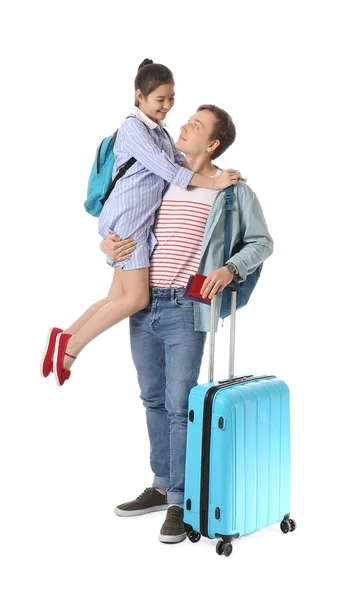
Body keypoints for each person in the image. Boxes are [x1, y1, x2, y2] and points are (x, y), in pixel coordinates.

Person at [100, 104, 274, 544]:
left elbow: (262, 242)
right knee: (152, 398)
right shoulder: (164, 177)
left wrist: (229, 270)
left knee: (181, 406)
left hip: (186, 308)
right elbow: (128, 219)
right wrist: (108, 244)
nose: (183, 126)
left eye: (195, 125)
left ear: (212, 144)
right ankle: (161, 485)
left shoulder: (230, 192)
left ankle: (180, 499)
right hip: (140, 302)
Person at [40, 60, 241, 386]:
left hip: (134, 222)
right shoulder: (133, 129)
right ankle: (71, 349)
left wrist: (221, 177)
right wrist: (216, 183)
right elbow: (172, 171)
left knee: (114, 299)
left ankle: (62, 336)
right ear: (139, 96)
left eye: (171, 98)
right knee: (136, 299)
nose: (167, 106)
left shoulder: (158, 131)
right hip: (129, 222)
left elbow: (181, 162)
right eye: (160, 99)